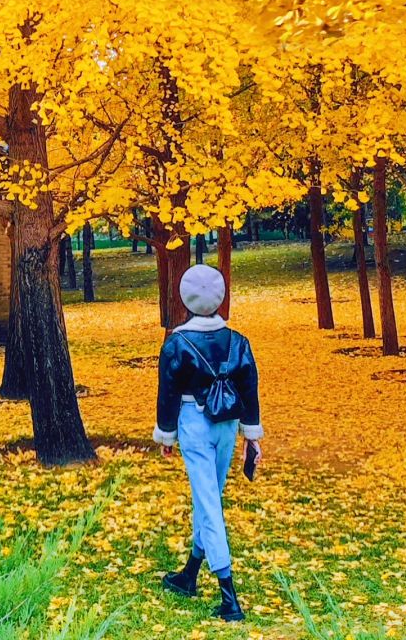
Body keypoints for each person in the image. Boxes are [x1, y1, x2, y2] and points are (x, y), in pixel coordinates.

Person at [153, 263, 263, 623]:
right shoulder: (239, 341)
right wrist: (252, 436)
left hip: (194, 424)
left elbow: (167, 393)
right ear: (220, 297)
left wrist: (166, 434)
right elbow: (249, 389)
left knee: (209, 503)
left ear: (185, 298)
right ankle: (189, 574)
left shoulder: (176, 344)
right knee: (210, 497)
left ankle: (229, 597)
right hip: (227, 424)